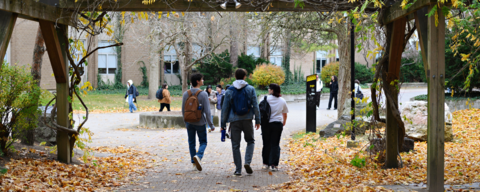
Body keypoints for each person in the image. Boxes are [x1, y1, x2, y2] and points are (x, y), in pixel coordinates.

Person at [221, 68, 261, 176]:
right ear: (244, 77)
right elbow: (255, 106)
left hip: (234, 121)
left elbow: (225, 109)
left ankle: (238, 169)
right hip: (247, 119)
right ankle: (247, 162)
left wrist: (222, 125)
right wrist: (258, 120)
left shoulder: (229, 91)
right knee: (250, 141)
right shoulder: (250, 89)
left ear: (235, 77)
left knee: (235, 145)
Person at [182, 73, 215, 171]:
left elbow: (183, 110)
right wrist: (211, 125)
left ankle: (193, 163)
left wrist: (186, 122)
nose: (203, 81)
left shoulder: (186, 93)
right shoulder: (203, 94)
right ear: (198, 81)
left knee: (191, 142)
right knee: (203, 142)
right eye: (202, 79)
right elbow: (207, 112)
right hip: (200, 122)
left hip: (189, 123)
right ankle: (199, 156)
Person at [261, 83, 288, 172]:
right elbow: (285, 113)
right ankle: (274, 164)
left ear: (272, 90)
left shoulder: (265, 99)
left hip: (266, 124)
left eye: (269, 89)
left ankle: (265, 163)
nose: (268, 90)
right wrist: (283, 122)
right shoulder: (282, 100)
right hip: (277, 124)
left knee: (266, 144)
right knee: (275, 144)